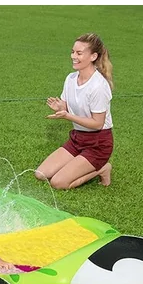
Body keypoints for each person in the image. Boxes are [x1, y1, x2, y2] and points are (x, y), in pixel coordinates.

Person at [35, 33, 114, 189]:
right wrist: (60, 108)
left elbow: (97, 124)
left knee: (58, 183)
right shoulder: (70, 79)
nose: (73, 56)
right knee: (40, 174)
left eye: (79, 53)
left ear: (93, 56)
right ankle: (79, 162)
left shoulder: (98, 86)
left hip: (98, 143)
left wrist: (68, 116)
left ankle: (102, 168)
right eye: (72, 52)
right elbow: (67, 107)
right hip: (78, 139)